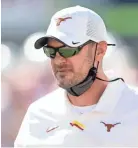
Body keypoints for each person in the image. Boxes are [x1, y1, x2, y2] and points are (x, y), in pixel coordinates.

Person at [14, 5, 138, 147]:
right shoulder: (38, 113)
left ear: (100, 50)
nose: (59, 60)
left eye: (68, 50)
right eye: (51, 51)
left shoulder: (134, 106)